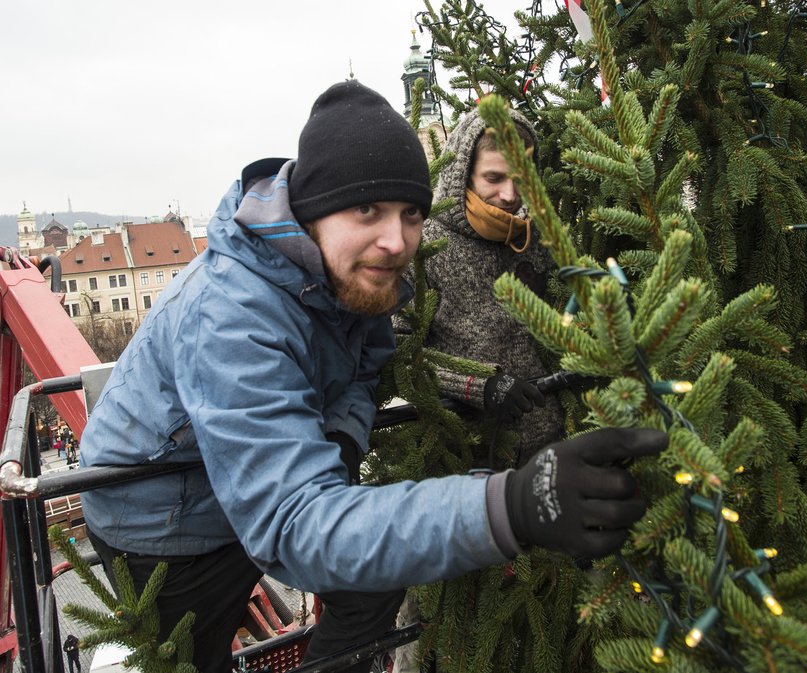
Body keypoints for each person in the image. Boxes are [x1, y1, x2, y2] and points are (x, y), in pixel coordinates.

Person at [79, 81, 667, 673]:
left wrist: (339, 437)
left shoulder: (352, 274)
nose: (396, 240)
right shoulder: (233, 316)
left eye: (410, 212)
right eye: (368, 209)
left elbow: (364, 370)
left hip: (248, 486)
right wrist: (512, 504)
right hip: (164, 521)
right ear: (312, 208)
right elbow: (290, 522)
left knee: (373, 593)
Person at [416, 107, 564, 464]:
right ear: (462, 173)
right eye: (494, 178)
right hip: (468, 452)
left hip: (549, 441)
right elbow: (401, 354)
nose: (510, 195)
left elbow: (569, 311)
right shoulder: (425, 246)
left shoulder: (537, 236)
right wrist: (479, 387)